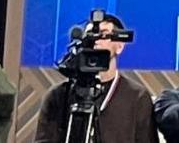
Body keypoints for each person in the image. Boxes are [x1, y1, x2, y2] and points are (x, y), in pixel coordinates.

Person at [34, 12, 156, 143]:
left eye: (104, 35)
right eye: (90, 35)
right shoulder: (59, 95)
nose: (96, 41)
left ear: (120, 46)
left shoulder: (137, 97)